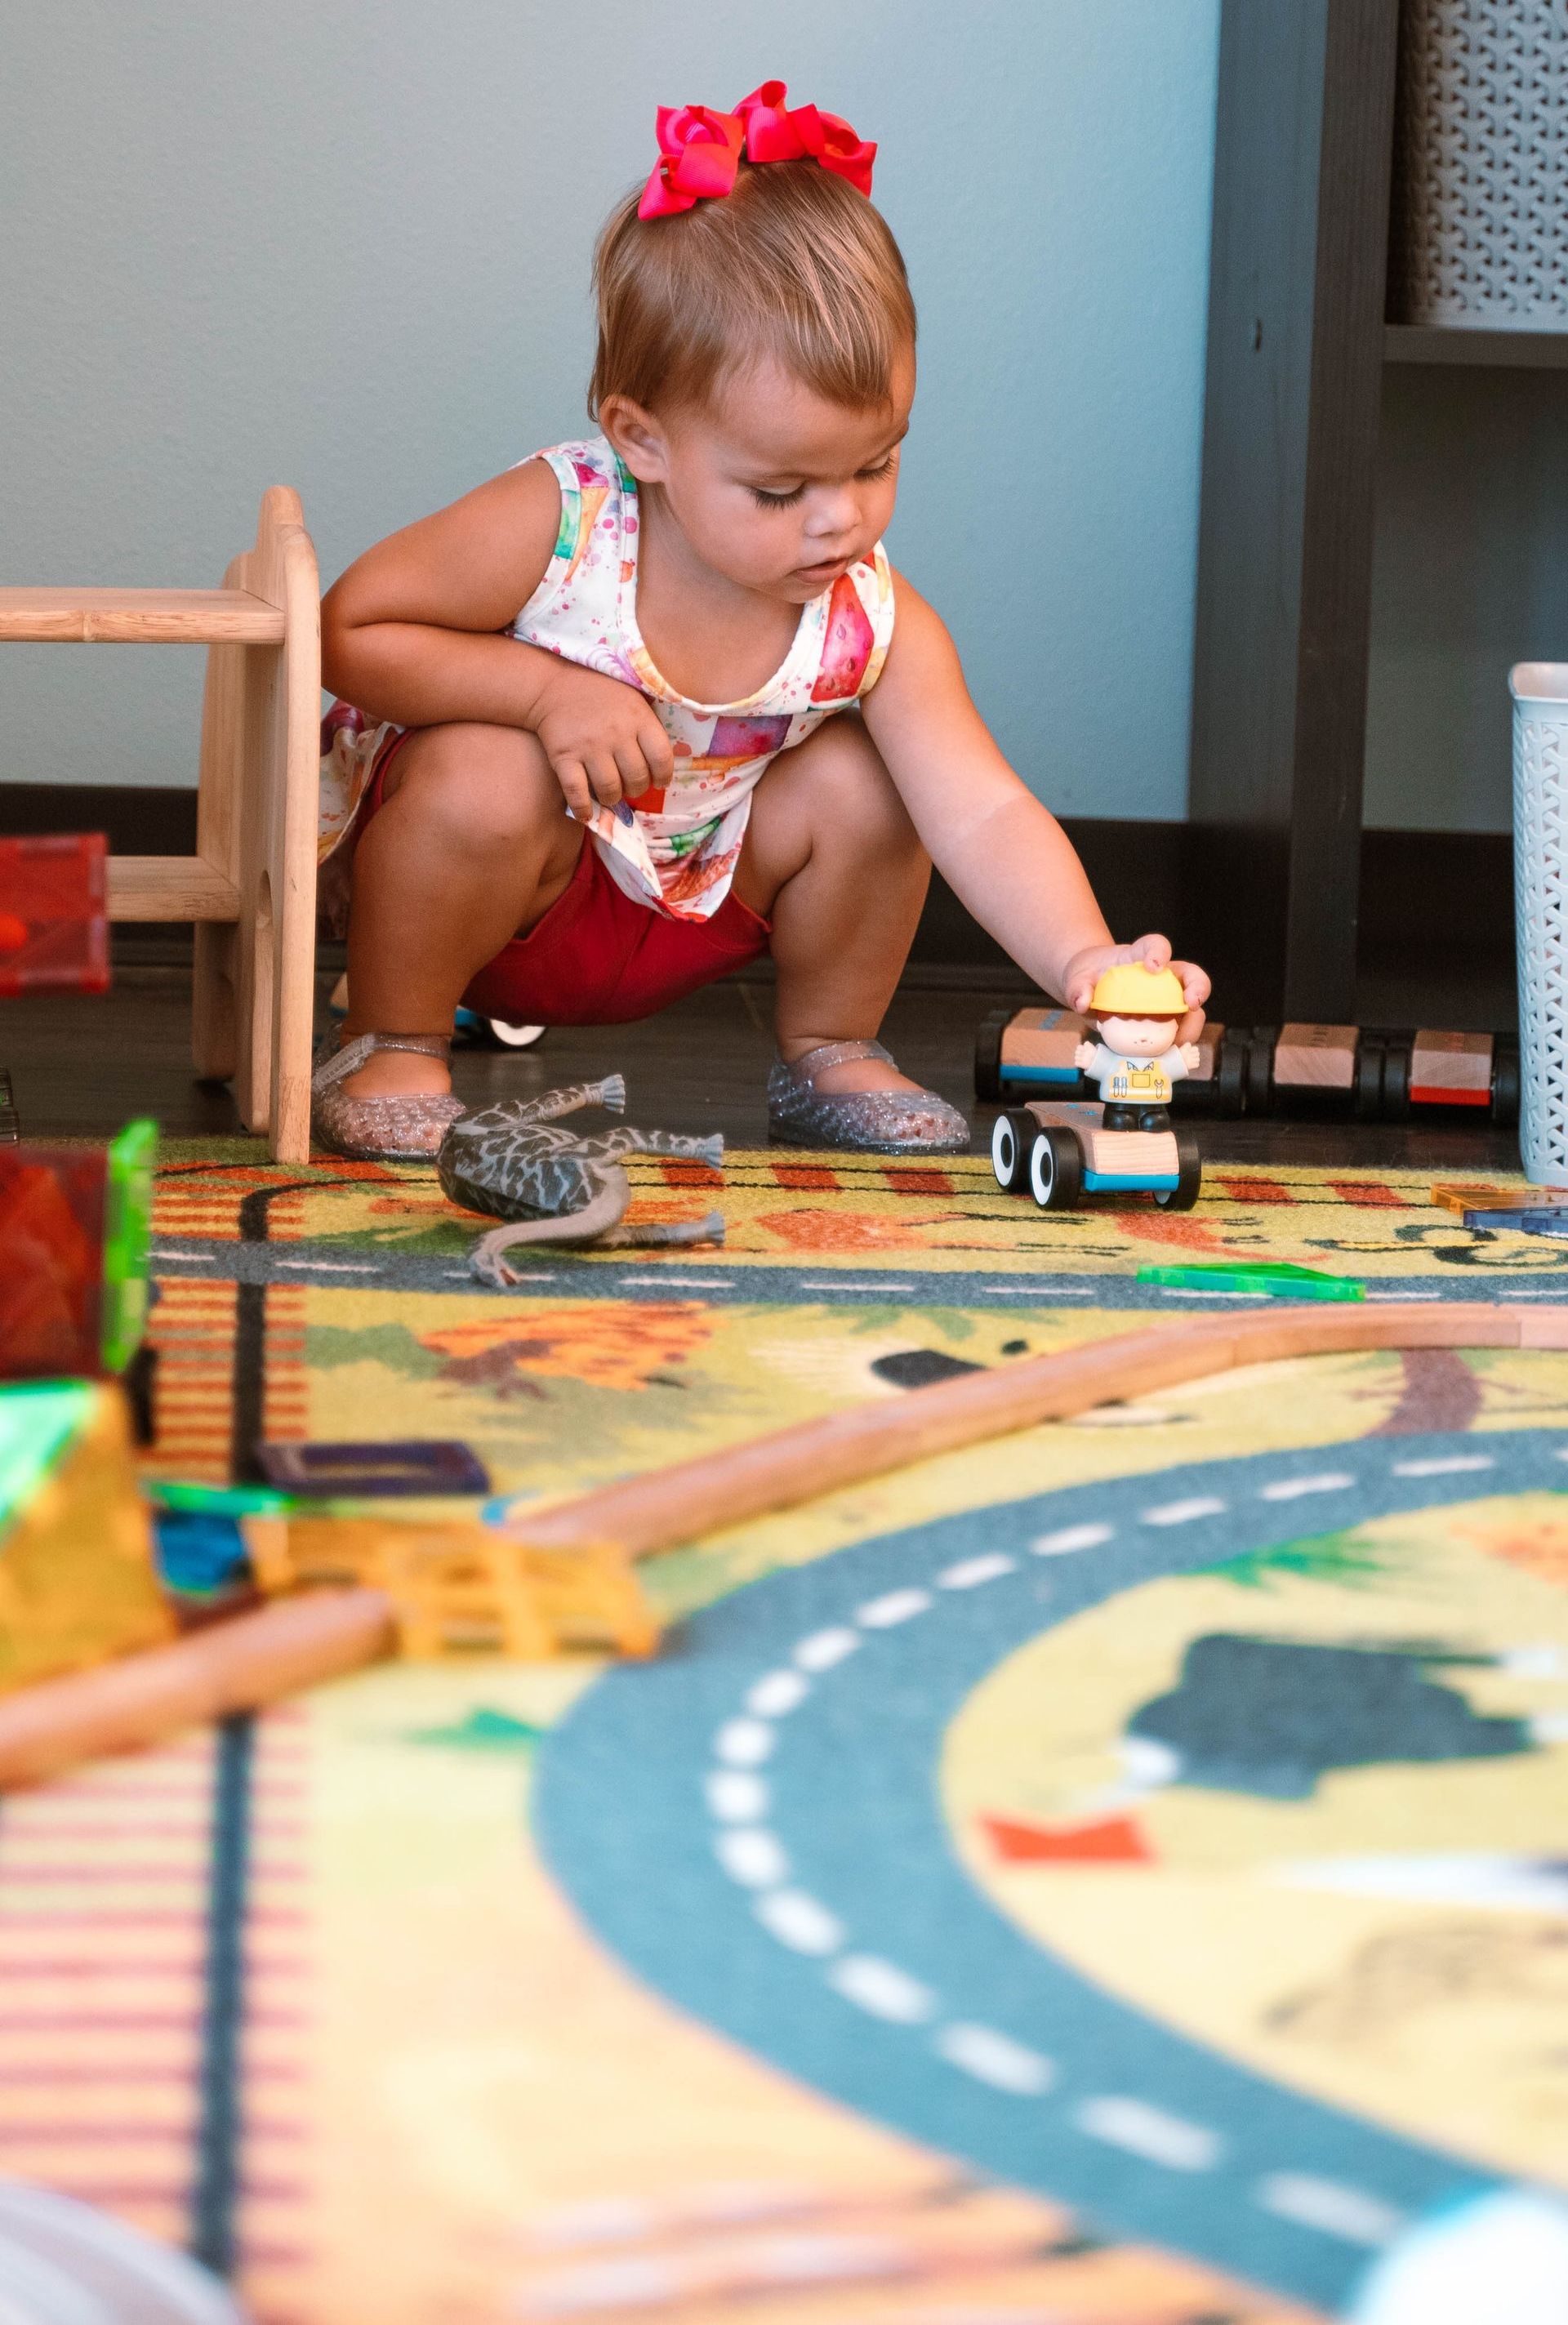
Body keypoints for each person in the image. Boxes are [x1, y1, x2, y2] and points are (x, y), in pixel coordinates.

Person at [313, 80, 1209, 1160]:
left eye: (875, 465)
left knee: (876, 786)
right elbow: (352, 629)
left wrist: (1086, 961)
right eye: (781, 492)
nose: (841, 522)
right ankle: (393, 1039)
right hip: (506, 896)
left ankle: (832, 1048)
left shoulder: (869, 614)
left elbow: (979, 809)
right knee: (484, 772)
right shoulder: (568, 520)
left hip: (694, 904)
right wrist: (547, 693)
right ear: (644, 441)